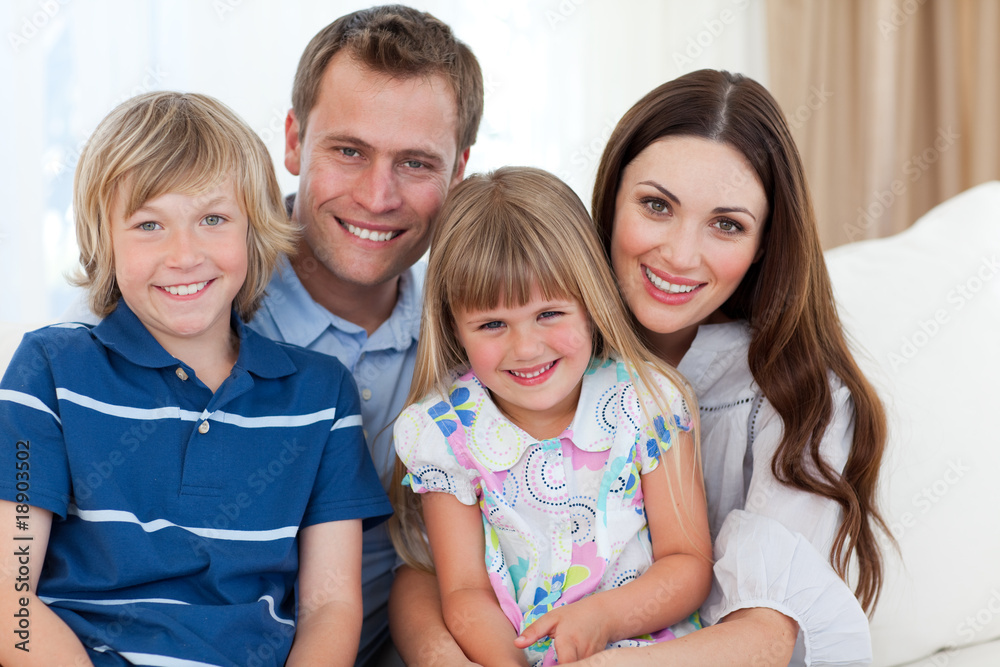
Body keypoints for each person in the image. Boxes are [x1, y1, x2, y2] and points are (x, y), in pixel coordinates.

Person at [0, 91, 392, 666]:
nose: (184, 255)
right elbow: (12, 602)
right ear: (103, 239)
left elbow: (329, 606)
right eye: (149, 224)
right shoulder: (50, 370)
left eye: (213, 219)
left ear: (254, 230)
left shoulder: (322, 394)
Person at [571, 69, 891, 665]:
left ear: (765, 243)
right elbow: (427, 563)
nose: (681, 255)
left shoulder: (800, 400)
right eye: (656, 205)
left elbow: (764, 637)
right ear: (611, 199)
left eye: (727, 225)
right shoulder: (534, 348)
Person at [390, 167, 713, 666]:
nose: (526, 348)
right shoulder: (444, 432)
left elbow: (687, 564)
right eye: (492, 324)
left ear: (590, 302)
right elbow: (464, 593)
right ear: (454, 328)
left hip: (648, 649)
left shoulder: (649, 401)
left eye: (549, 314)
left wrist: (602, 618)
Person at [241, 6, 484, 665]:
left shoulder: (486, 340)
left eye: (415, 163)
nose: (378, 196)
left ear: (458, 171)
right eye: (348, 151)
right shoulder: (198, 302)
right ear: (293, 141)